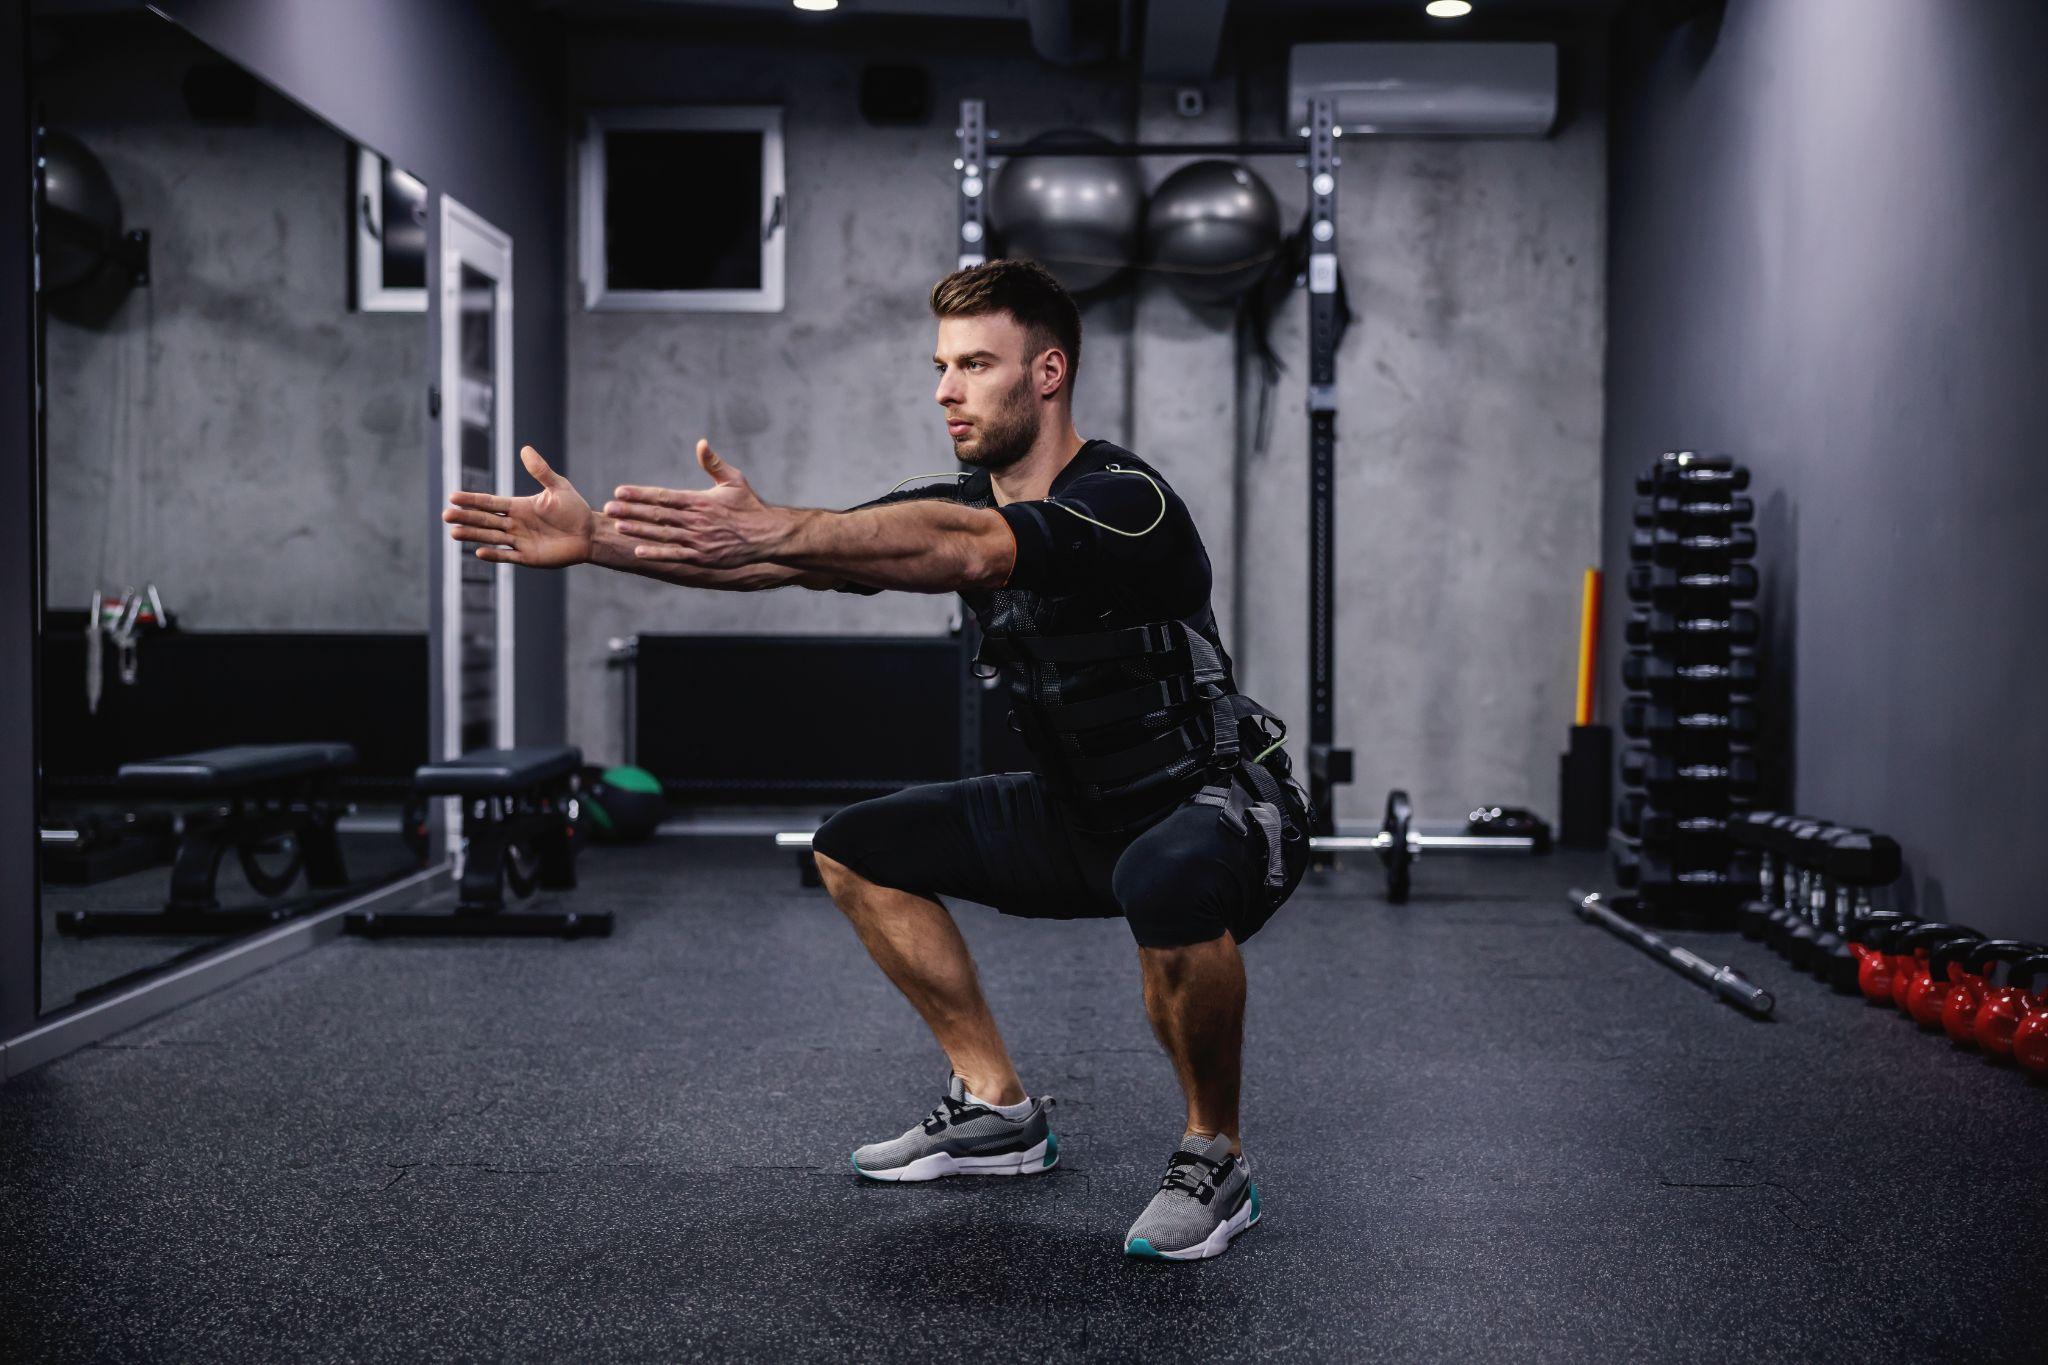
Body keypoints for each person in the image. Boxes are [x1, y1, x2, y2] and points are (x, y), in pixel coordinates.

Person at [443, 259, 1310, 1261]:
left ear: (1047, 373)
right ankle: (995, 1110)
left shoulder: (1126, 502)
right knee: (855, 847)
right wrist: (599, 543)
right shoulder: (949, 499)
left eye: (975, 363)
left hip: (1212, 805)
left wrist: (794, 523)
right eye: (939, 365)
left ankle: (1214, 1157)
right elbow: (786, 558)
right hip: (1078, 814)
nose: (944, 389)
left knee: (1162, 882)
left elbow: (969, 551)